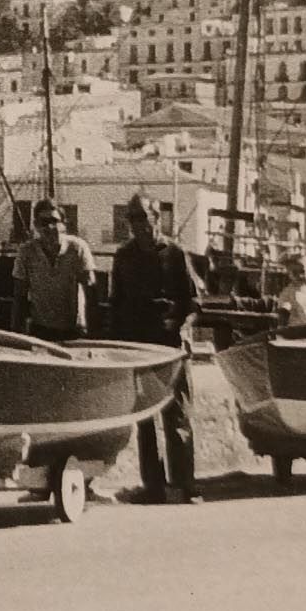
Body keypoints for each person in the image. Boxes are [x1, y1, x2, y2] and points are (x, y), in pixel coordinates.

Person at [107, 193, 203, 504]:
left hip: (171, 346)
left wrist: (184, 326)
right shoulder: (123, 257)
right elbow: (116, 304)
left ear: (156, 218)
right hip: (139, 348)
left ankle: (185, 486)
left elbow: (194, 303)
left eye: (142, 218)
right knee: (145, 420)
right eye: (132, 219)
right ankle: (153, 487)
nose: (137, 225)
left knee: (178, 417)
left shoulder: (175, 253)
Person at [11, 199, 97, 342]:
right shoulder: (26, 252)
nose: (50, 227)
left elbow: (91, 292)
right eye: (44, 222)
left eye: (54, 221)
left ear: (63, 224)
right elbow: (19, 296)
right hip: (40, 331)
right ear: (36, 226)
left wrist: (93, 336)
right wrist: (16, 336)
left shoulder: (78, 248)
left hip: (74, 332)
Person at [275, 253, 306, 326]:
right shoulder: (288, 293)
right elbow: (283, 314)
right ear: (289, 273)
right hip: (295, 332)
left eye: (303, 271)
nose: (300, 276)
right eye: (295, 273)